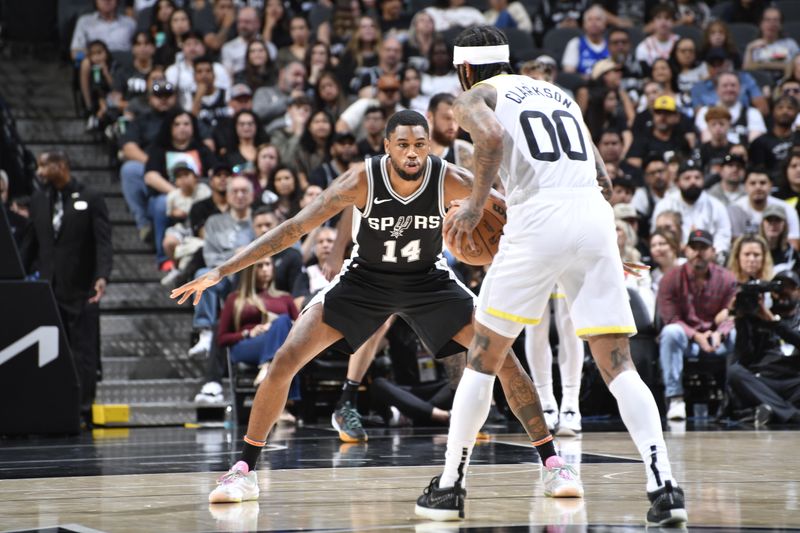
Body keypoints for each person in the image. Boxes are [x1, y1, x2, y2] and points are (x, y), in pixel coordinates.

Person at [172, 110, 582, 505]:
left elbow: (528, 222)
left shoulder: (450, 179)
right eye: (402, 145)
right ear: (387, 146)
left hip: (429, 281)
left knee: (503, 360)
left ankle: (552, 464)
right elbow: (295, 228)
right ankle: (244, 470)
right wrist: (223, 270)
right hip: (364, 280)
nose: (412, 154)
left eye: (420, 145)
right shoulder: (361, 180)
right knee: (285, 359)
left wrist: (592, 254)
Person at [414, 26, 686, 526]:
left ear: (465, 68)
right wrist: (602, 245)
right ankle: (664, 486)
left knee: (483, 355)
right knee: (618, 362)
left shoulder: (477, 94)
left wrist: (475, 206)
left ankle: (450, 486)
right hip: (592, 216)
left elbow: (491, 136)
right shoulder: (557, 94)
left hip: (537, 216)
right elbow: (602, 178)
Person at [19, 151, 113, 425]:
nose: (40, 172)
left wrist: (102, 276)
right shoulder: (38, 199)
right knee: (52, 350)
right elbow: (31, 243)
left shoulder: (91, 197)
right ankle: (54, 406)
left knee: (83, 350)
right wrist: (18, 276)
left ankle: (83, 410)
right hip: (48, 288)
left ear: (61, 166)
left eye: (44, 165)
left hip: (82, 286)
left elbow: (103, 242)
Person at [657, 228, 737, 421]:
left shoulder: (727, 278)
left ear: (713, 251)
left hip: (715, 341)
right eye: (694, 247)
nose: (698, 252)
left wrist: (721, 333)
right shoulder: (670, 278)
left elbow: (734, 313)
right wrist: (696, 336)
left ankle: (732, 397)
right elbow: (670, 318)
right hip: (686, 340)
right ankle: (675, 398)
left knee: (736, 334)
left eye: (703, 247)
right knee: (670, 332)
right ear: (686, 250)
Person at [729, 270, 800, 425]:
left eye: (790, 288)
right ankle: (791, 414)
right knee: (734, 372)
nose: (783, 293)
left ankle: (771, 411)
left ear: (799, 292)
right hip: (765, 381)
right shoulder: (758, 316)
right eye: (779, 289)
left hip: (794, 381)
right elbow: (745, 356)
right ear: (771, 293)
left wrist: (774, 322)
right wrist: (742, 320)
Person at [759, 204, 800, 275]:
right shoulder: (753, 249)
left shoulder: (791, 253)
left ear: (784, 224)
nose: (773, 224)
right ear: (762, 224)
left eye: (777, 220)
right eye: (769, 220)